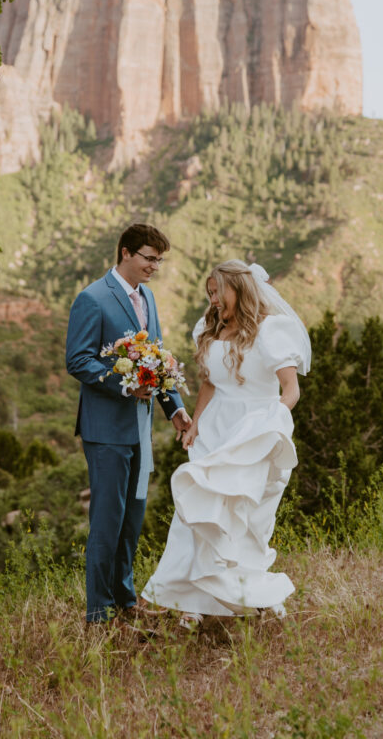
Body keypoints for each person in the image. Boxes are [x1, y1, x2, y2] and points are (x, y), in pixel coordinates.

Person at [142, 260, 311, 624]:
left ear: (239, 289)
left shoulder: (271, 330)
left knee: (249, 522)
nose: (213, 299)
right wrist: (195, 424)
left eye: (218, 291)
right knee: (196, 513)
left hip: (255, 434)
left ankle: (252, 596)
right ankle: (191, 605)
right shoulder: (209, 329)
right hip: (214, 433)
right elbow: (209, 383)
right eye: (210, 293)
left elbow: (291, 390)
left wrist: (270, 423)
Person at [66, 223, 192, 624]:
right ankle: (98, 612)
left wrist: (174, 407)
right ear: (125, 252)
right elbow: (78, 360)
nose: (155, 266)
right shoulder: (92, 298)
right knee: (107, 521)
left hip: (141, 427)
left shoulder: (148, 298)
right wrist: (124, 386)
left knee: (132, 518)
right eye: (149, 258)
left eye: (159, 260)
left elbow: (153, 358)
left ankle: (126, 597)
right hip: (105, 430)